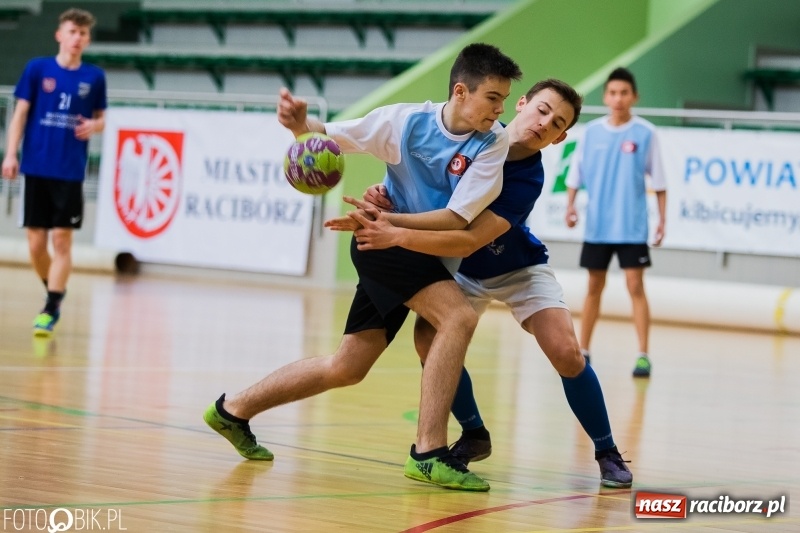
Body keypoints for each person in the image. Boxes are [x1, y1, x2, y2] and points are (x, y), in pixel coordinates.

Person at [202, 43, 522, 492]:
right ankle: (428, 453)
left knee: (347, 367)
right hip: (383, 246)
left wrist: (389, 220)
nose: (500, 109)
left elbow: (456, 218)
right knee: (458, 317)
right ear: (462, 91)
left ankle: (231, 410)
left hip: (397, 239)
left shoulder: (494, 142)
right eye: (493, 98)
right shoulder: (404, 122)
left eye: (504, 100)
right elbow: (331, 136)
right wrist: (301, 126)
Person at [337, 78, 632, 488]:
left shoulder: (528, 178)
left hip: (516, 267)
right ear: (523, 103)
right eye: (542, 110)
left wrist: (395, 228)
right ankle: (474, 435)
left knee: (566, 351)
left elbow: (471, 234)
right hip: (460, 270)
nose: (544, 123)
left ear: (558, 138)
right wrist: (384, 195)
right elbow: (419, 181)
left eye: (556, 124)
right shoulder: (468, 135)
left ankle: (607, 451)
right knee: (429, 339)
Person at [1, 8, 107, 337]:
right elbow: (19, 115)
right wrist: (10, 154)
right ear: (59, 35)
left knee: (62, 240)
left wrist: (95, 125)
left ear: (88, 40)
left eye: (83, 34)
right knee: (35, 245)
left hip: (69, 170)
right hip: (36, 166)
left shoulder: (94, 76)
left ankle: (51, 306)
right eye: (72, 32)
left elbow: (102, 118)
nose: (77, 38)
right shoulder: (38, 69)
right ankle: (54, 291)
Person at [564, 67, 666, 378]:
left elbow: (660, 181)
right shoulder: (591, 133)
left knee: (636, 286)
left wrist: (662, 220)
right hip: (598, 227)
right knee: (594, 286)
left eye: (624, 93)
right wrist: (570, 207)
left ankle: (643, 354)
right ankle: (583, 350)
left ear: (634, 96)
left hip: (632, 227)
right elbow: (575, 176)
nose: (618, 98)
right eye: (612, 92)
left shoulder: (646, 133)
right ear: (605, 96)